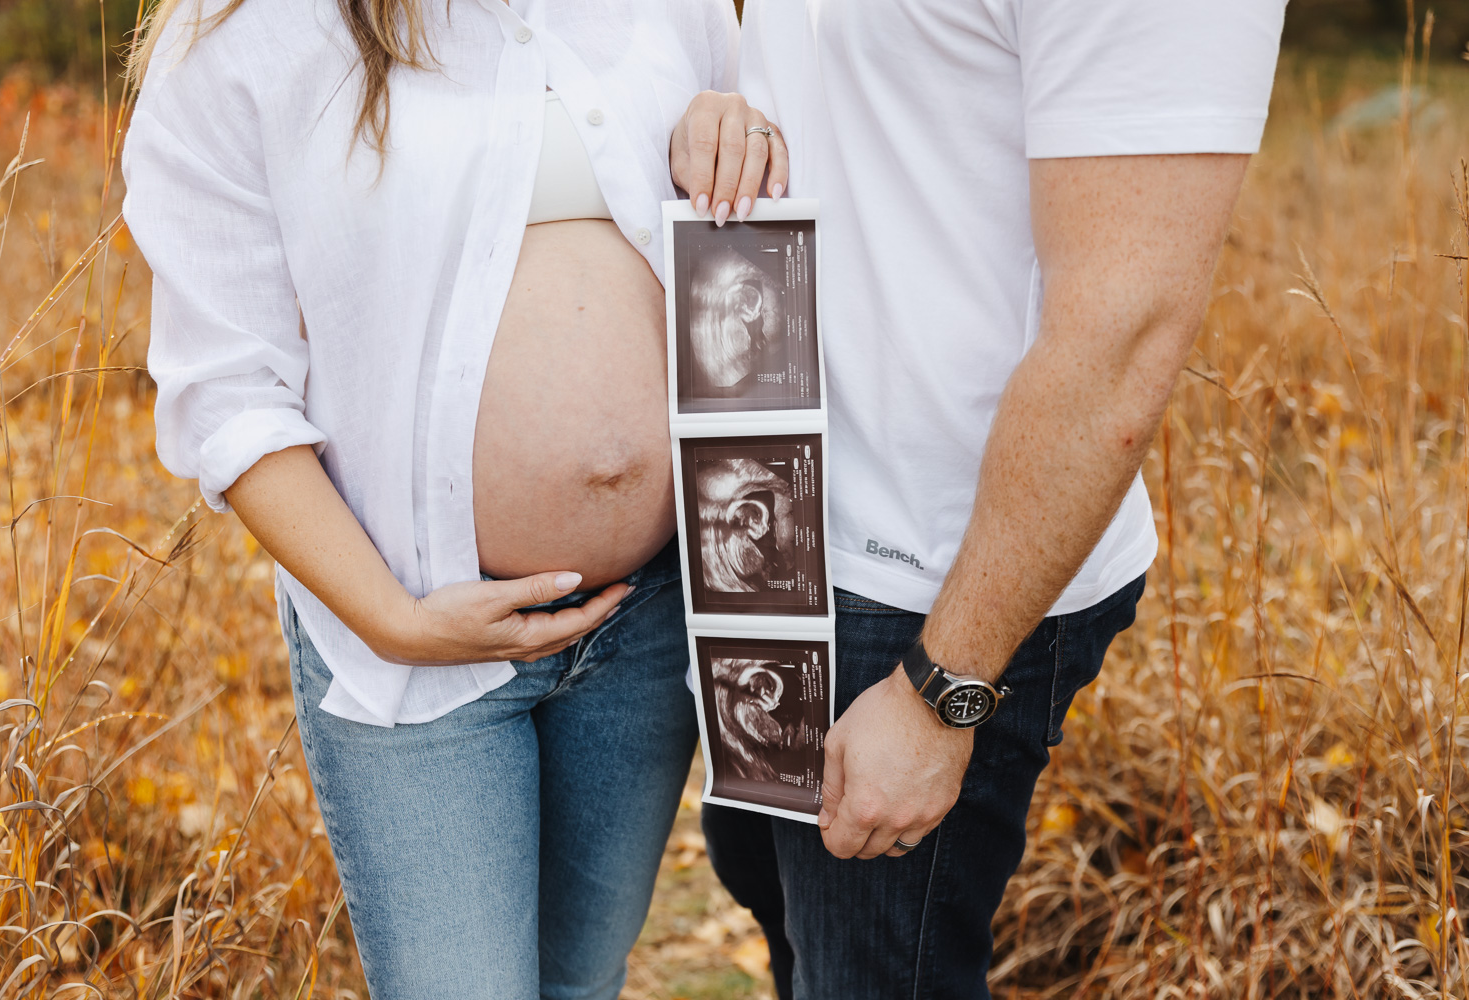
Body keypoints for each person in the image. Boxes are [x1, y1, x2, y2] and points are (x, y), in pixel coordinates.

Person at [121, 0, 784, 996]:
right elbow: (226, 393)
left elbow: (762, 188)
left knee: (580, 980)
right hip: (414, 642)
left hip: (645, 620)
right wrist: (396, 622)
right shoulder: (245, 38)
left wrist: (732, 120)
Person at [676, 1, 1289, 996]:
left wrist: (937, 695)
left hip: (930, 579)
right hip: (772, 516)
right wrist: (720, 111)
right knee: (779, 908)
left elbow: (1123, 337)